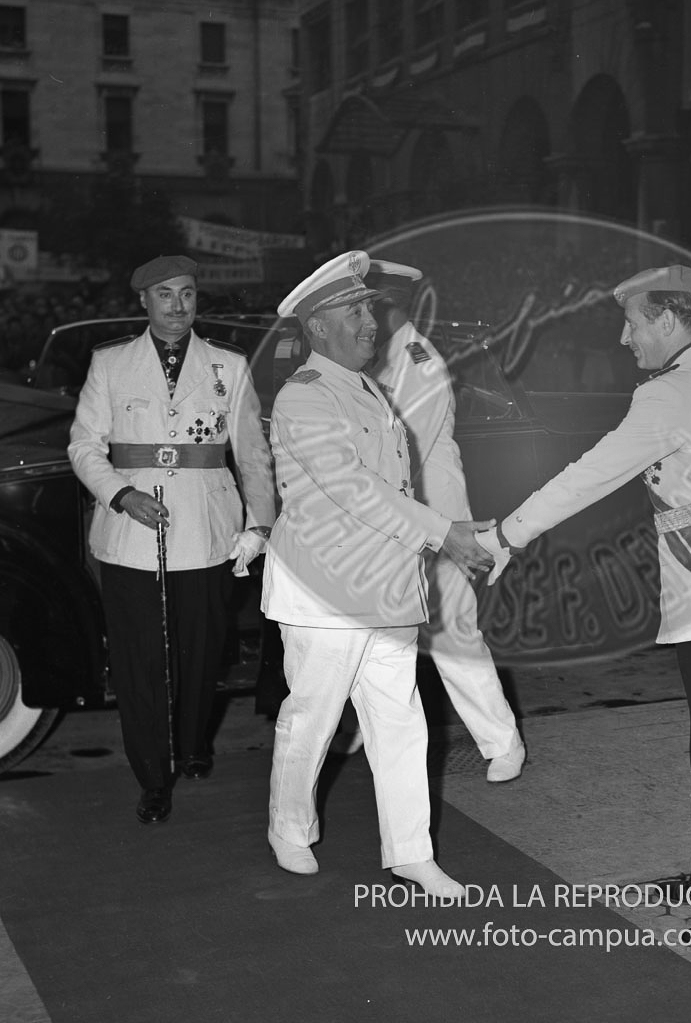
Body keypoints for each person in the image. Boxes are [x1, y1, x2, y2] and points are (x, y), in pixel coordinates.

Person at [483, 264, 691, 947]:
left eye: (632, 323)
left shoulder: (672, 395)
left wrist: (507, 534)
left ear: (665, 319)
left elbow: (590, 474)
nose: (626, 338)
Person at [261, 250, 495, 894]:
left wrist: (439, 534)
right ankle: (289, 827)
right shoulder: (303, 398)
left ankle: (411, 852)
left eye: (368, 308)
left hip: (388, 588)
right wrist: (441, 531)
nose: (371, 321)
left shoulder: (365, 387)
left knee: (401, 722)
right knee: (311, 715)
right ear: (316, 328)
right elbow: (354, 489)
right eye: (355, 311)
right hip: (325, 592)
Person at [68, 254, 275, 825]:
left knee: (201, 650)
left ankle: (190, 744)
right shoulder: (111, 364)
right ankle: (153, 777)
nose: (178, 305)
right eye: (165, 294)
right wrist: (120, 494)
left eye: (186, 293)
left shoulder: (227, 366)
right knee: (138, 662)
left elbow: (252, 454)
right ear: (144, 300)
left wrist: (259, 522)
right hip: (131, 536)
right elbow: (85, 446)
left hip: (207, 532)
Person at [365, 259, 525, 782]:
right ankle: (363, 730)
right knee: (374, 630)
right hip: (391, 512)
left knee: (453, 630)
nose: (364, 314)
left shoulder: (418, 360)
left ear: (398, 307)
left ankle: (502, 742)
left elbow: (406, 446)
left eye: (373, 305)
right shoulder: (369, 358)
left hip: (433, 514)